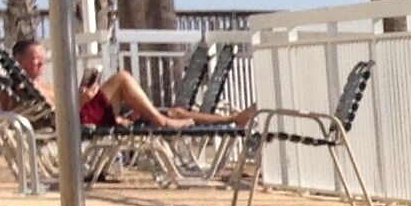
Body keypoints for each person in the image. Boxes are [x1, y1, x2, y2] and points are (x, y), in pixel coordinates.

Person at [17, 38, 251, 133]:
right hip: (75, 122)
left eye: (42, 57)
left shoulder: (42, 84)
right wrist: (80, 100)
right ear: (19, 61)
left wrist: (92, 102)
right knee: (122, 78)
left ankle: (232, 119)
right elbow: (51, 117)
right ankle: (162, 122)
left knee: (172, 111)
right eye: (34, 59)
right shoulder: (22, 88)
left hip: (84, 113)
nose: (41, 63)